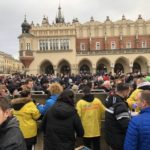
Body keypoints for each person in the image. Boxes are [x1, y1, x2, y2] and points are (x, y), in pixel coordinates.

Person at [76, 86, 105, 150]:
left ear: (83, 93)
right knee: (97, 147)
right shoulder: (97, 101)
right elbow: (104, 111)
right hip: (96, 129)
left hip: (86, 130)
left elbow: (77, 116)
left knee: (87, 147)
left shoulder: (80, 103)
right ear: (90, 92)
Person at [104, 83, 131, 150]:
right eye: (129, 91)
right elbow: (125, 125)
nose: (129, 93)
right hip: (118, 139)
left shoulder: (110, 98)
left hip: (111, 136)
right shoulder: (120, 105)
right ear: (125, 91)